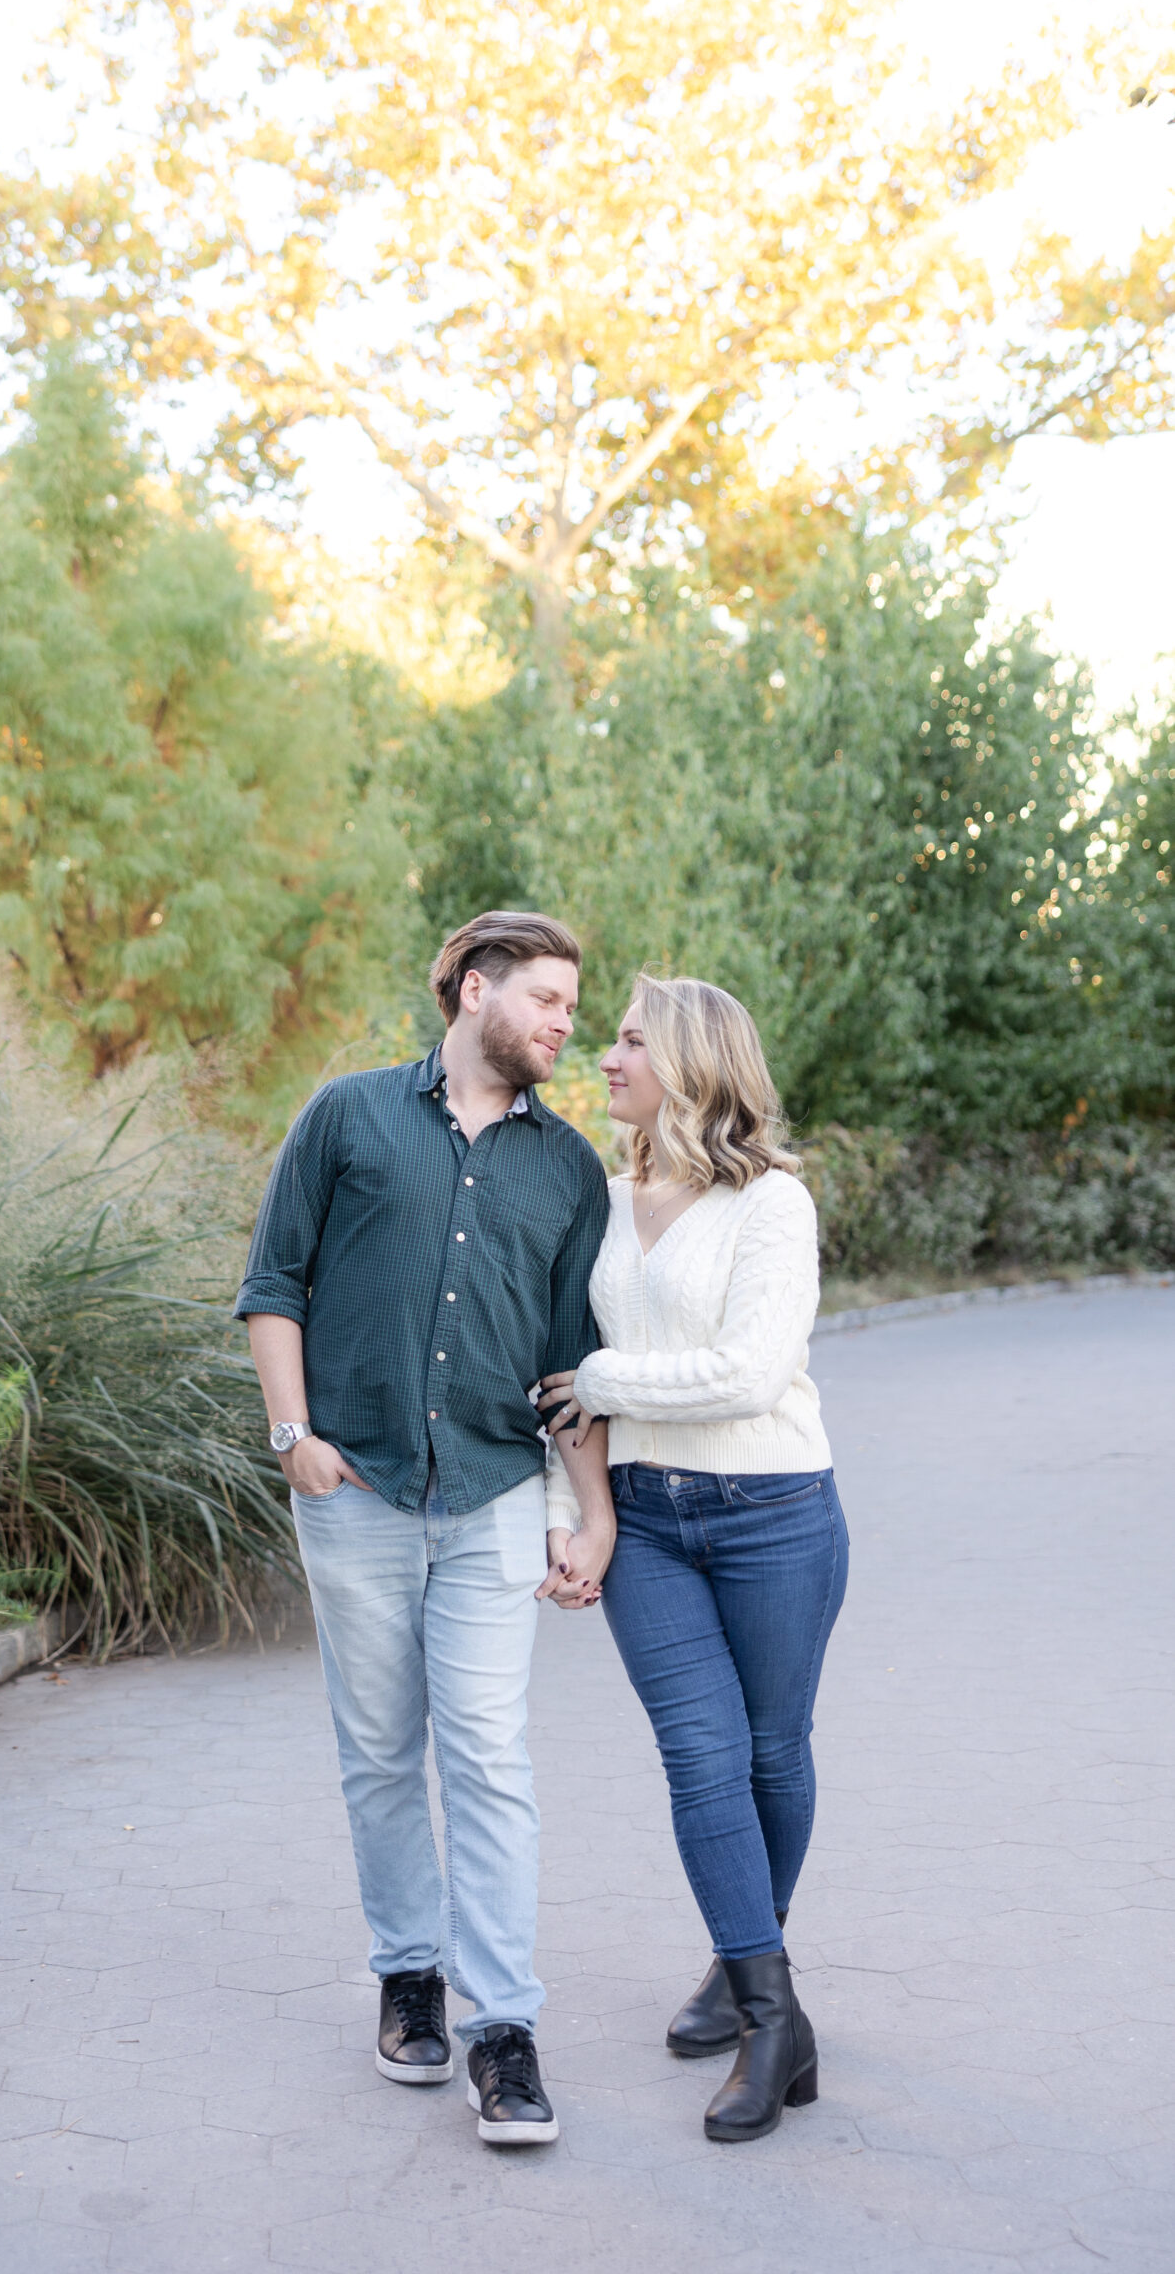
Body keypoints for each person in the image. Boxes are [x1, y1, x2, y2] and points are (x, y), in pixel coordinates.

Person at [236, 912, 610, 2145]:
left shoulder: (570, 1171)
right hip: (357, 1495)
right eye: (548, 998)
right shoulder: (347, 1117)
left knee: (491, 1759)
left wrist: (590, 1513)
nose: (567, 1023)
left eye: (573, 1005)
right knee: (383, 1750)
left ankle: (505, 2030)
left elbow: (568, 1370)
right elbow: (274, 1283)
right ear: (475, 988)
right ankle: (410, 1972)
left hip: (498, 1497)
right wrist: (295, 1437)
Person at [540, 973, 847, 2146]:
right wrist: (570, 1512)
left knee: (774, 1753)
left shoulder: (774, 1203)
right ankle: (775, 2017)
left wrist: (608, 1380)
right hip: (648, 1524)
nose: (605, 1056)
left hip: (776, 1509)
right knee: (701, 1755)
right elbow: (553, 1369)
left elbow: (750, 1370)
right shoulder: (603, 1199)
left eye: (627, 1040)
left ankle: (738, 1957)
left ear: (691, 1061)